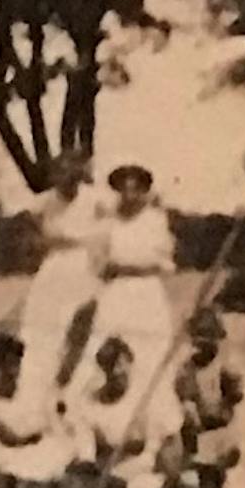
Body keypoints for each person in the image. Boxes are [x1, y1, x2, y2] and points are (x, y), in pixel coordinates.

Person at [18, 152, 107, 400]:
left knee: (81, 325)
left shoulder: (94, 199)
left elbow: (111, 228)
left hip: (83, 266)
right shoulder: (45, 202)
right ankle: (40, 388)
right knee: (44, 328)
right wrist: (48, 241)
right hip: (54, 267)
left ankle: (76, 389)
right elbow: (31, 239)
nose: (65, 182)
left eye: (70, 176)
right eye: (59, 176)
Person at [151, 308, 243, 488]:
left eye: (207, 338)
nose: (201, 344)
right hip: (194, 433)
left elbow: (234, 397)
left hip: (219, 432)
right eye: (198, 338)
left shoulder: (226, 366)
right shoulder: (187, 368)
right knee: (184, 471)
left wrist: (220, 407)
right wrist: (190, 409)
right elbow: (185, 397)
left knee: (212, 477)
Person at [91, 163, 177, 382]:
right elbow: (99, 262)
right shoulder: (108, 222)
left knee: (150, 348)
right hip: (117, 290)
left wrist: (128, 266)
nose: (129, 194)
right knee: (110, 345)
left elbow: (163, 263)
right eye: (124, 188)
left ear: (142, 190)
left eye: (135, 188)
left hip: (146, 289)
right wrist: (108, 267)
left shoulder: (155, 220)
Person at [0, 332, 79, 488]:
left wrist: (64, 442)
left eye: (16, 364)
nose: (13, 371)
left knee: (58, 461)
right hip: (8, 453)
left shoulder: (33, 387)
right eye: (5, 367)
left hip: (41, 446)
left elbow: (51, 422)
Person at [68, 336, 168, 488]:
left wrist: (117, 472)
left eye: (121, 365)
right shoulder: (90, 400)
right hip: (104, 466)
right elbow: (86, 444)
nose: (117, 372)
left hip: (138, 468)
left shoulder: (146, 398)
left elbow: (152, 450)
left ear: (130, 363)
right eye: (111, 366)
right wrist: (89, 461)